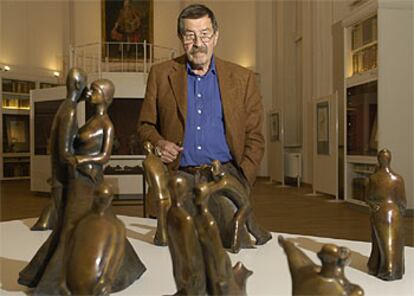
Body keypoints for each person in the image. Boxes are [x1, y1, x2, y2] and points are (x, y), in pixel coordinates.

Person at [137, 4, 269, 247]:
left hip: (223, 177)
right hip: (179, 178)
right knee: (178, 246)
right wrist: (158, 144)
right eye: (190, 35)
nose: (198, 42)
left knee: (232, 243)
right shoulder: (160, 74)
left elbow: (255, 138)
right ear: (181, 38)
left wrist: (243, 179)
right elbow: (145, 126)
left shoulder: (242, 79)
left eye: (205, 34)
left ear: (216, 36)